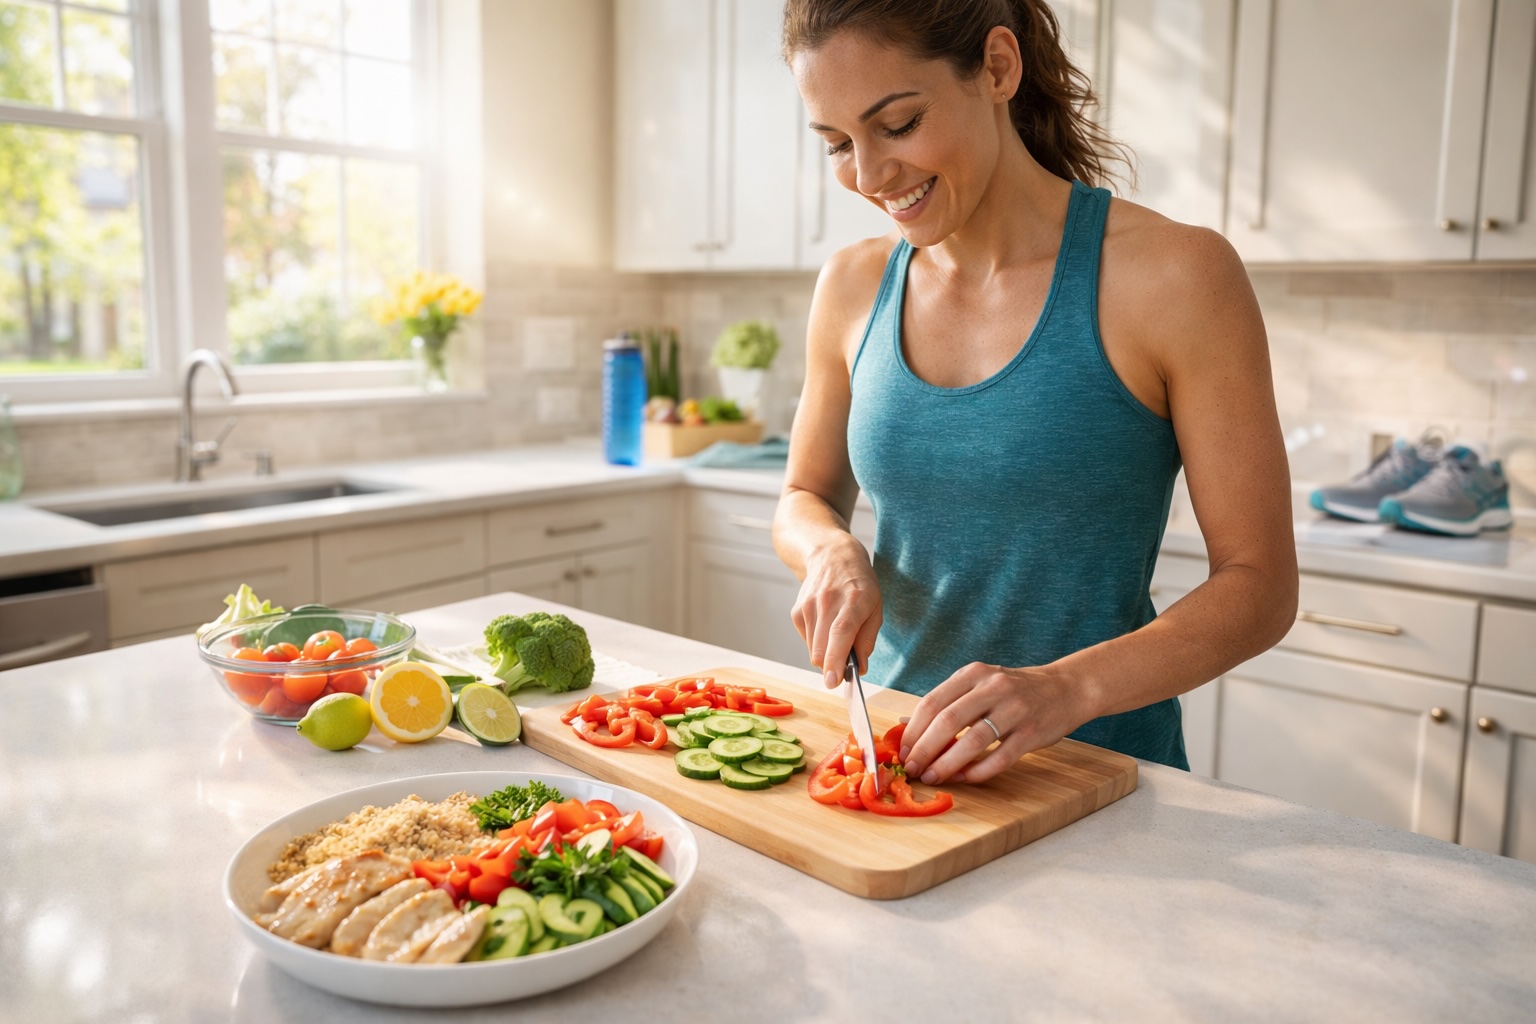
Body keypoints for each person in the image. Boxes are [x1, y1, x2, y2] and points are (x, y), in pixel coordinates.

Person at [772, 0, 1298, 785]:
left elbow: (1260, 585)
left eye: (899, 124)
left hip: (1100, 781)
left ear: (997, 68)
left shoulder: (1175, 276)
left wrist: (1064, 689)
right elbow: (803, 494)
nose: (870, 175)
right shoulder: (852, 286)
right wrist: (831, 551)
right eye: (839, 144)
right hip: (896, 764)